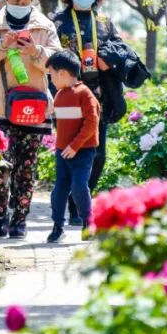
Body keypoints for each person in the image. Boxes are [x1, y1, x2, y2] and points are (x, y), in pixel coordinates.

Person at [51, 0, 149, 225]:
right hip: (68, 95)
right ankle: (74, 208)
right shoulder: (58, 22)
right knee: (69, 149)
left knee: (97, 154)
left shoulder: (105, 22)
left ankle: (78, 200)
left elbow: (120, 49)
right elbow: (50, 57)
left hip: (99, 97)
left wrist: (108, 63)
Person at [0, 0, 61, 239]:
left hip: (33, 103)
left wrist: (35, 51)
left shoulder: (44, 27)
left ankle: (20, 220)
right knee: (1, 165)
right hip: (0, 105)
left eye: (25, 1)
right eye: (15, 0)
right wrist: (1, 44)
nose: (20, 5)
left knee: (26, 167)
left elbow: (57, 63)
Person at [45, 50, 100, 243]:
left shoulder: (84, 93)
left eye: (51, 74)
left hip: (83, 151)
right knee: (59, 190)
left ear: (62, 73)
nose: (50, 79)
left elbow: (91, 123)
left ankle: (88, 222)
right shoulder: (60, 95)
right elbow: (60, 122)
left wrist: (75, 146)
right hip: (63, 152)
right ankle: (58, 226)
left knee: (78, 186)